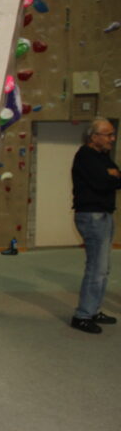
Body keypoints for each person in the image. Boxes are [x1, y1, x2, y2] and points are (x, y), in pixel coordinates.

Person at [70, 117, 120, 334]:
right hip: (91, 217)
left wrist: (112, 175)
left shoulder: (103, 157)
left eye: (112, 134)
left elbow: (117, 177)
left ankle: (93, 310)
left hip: (104, 215)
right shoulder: (85, 156)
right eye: (108, 135)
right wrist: (111, 176)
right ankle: (82, 316)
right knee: (96, 269)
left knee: (103, 268)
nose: (112, 138)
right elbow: (102, 183)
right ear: (93, 137)